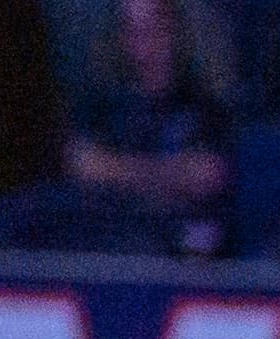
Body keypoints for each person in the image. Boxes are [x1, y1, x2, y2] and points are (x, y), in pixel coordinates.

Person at [60, 0, 232, 253]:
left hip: (180, 240)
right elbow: (83, 164)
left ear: (175, 32)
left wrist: (117, 170)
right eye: (133, 33)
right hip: (112, 228)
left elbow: (207, 175)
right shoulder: (106, 100)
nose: (144, 49)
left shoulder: (204, 104)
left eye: (154, 30)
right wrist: (167, 175)